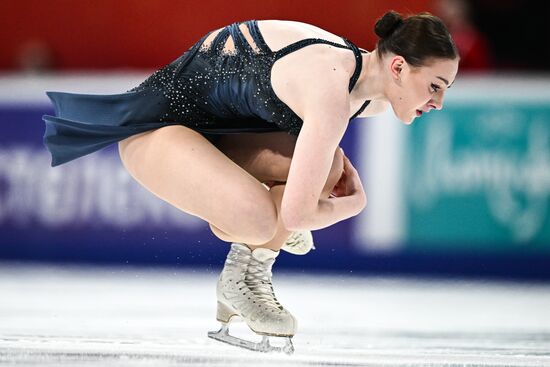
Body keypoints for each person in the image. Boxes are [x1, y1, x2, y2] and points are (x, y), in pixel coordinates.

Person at [42, 11, 459, 353]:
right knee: (265, 220)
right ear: (399, 67)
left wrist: (304, 209)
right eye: (435, 86)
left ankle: (248, 265)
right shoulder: (331, 87)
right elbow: (297, 214)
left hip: (216, 138)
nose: (438, 102)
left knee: (326, 169)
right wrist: (354, 204)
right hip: (156, 132)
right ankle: (245, 268)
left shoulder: (366, 98)